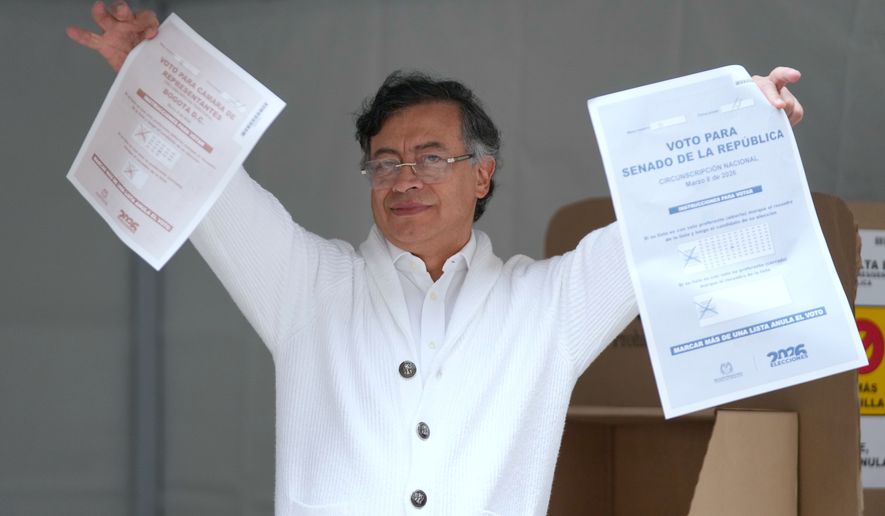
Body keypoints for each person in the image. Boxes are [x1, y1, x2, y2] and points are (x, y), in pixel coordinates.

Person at [67, 2, 804, 514]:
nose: (404, 179)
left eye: (428, 157)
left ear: (480, 174)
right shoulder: (306, 287)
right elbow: (214, 187)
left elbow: (658, 225)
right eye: (383, 163)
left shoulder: (548, 307)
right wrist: (147, 73)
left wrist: (748, 121)